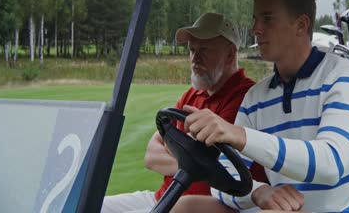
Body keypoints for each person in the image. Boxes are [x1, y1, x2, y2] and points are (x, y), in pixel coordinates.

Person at [171, 0, 349, 212]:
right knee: (184, 207)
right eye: (255, 19)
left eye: (267, 19)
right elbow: (221, 176)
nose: (255, 30)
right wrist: (258, 192)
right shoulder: (256, 97)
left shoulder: (345, 76)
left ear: (301, 25)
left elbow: (331, 163)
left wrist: (239, 135)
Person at [101, 12, 267, 213]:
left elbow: (212, 164)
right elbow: (152, 155)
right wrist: (187, 160)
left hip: (204, 206)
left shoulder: (244, 97)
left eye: (204, 49)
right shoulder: (193, 95)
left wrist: (177, 150)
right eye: (192, 50)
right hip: (164, 196)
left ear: (230, 54)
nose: (195, 58)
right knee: (87, 205)